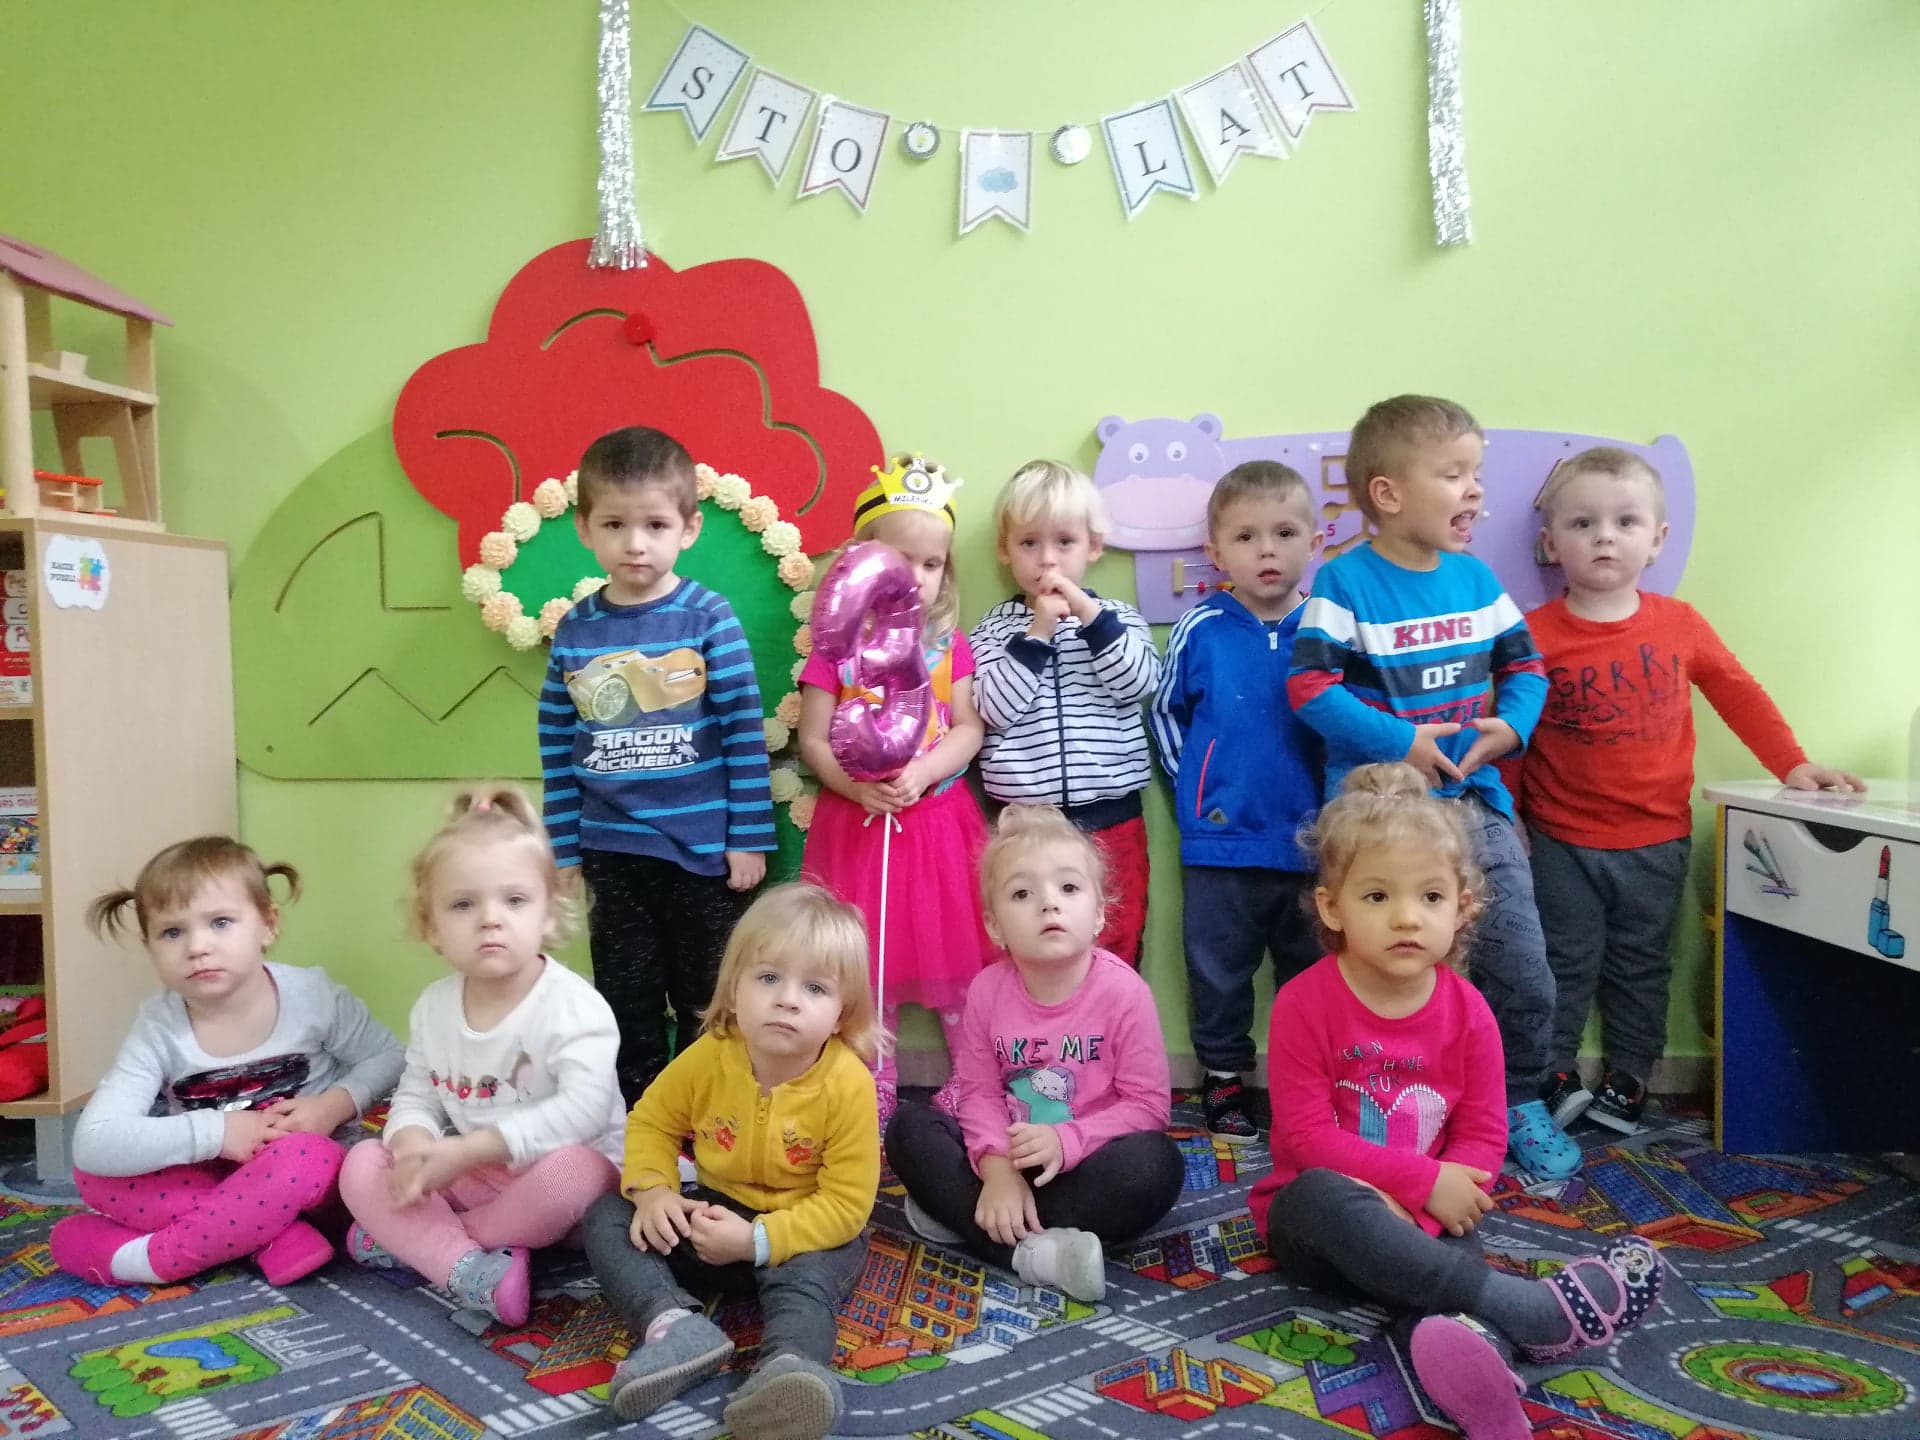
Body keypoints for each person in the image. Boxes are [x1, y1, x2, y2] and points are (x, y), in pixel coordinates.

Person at [1252, 764, 1667, 1440]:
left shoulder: (1470, 1012)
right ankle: (1534, 1310)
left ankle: (1491, 1399)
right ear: (1332, 908)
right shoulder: (1304, 1003)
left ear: (1463, 907)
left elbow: (1481, 1135)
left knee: (1449, 1305)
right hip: (1321, 1225)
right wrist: (1417, 1184)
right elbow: (1306, 1139)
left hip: (1431, 1218)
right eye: (1377, 895)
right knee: (1322, 1194)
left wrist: (1430, 1200)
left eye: (1431, 896)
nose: (1407, 917)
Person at [1518, 447, 1865, 1132]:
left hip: (1656, 837)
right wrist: (1508, 816)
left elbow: (1738, 693)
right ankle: (1552, 1073)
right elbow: (1510, 733)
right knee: (1560, 962)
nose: (1605, 537)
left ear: (1658, 539)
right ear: (1551, 544)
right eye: (1583, 523)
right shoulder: (1532, 636)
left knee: (1642, 964)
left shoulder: (1680, 624)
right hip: (1559, 840)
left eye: (1625, 522)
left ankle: (1631, 1077)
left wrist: (1792, 765)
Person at [1289, 395, 1578, 1179]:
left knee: (1521, 964)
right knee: (1384, 971)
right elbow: (1309, 689)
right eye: (1454, 474)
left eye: (1475, 473)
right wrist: (1404, 742)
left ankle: (1515, 1099)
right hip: (1376, 817)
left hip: (1475, 811)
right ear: (1387, 494)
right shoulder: (1343, 583)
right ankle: (1381, 1108)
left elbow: (1526, 668)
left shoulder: (1476, 579)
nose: (1475, 490)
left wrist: (1511, 728)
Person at [582, 883, 880, 1439]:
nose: (787, 999)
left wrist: (757, 1241)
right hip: (714, 1215)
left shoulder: (848, 1085)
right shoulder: (711, 1055)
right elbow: (651, 1122)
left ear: (843, 1014)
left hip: (804, 1231)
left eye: (814, 987)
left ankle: (788, 1371)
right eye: (768, 978)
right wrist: (655, 1193)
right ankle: (674, 1327)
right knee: (607, 1215)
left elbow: (846, 1205)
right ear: (735, 989)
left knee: (809, 1281)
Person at [540, 425, 775, 1105]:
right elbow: (557, 744)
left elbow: (742, 730)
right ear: (585, 528)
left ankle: (713, 1116)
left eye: (655, 525)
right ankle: (638, 1120)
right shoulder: (577, 629)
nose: (635, 543)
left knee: (710, 997)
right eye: (615, 525)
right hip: (611, 852)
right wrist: (563, 847)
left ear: (688, 528)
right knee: (626, 999)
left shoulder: (708, 617)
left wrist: (748, 837)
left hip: (703, 855)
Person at [51, 839, 403, 1287]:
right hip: (212, 1180)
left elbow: (390, 1056)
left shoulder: (313, 996)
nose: (197, 946)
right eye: (172, 933)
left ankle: (160, 1259)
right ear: (149, 946)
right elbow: (94, 1141)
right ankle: (269, 1238)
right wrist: (217, 1133)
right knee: (95, 1173)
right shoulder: (158, 1027)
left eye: (220, 923)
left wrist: (332, 1106)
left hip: (317, 1181)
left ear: (268, 925)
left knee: (307, 1156)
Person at [337, 786, 624, 1326]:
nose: (490, 919)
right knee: (362, 1164)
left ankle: (434, 1243)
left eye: (514, 900)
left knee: (576, 1172)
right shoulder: (433, 1007)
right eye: (463, 904)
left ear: (547, 913)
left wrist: (467, 1152)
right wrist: (413, 1145)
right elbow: (417, 1092)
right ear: (431, 926)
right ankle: (472, 1269)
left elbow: (584, 1113)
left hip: (565, 1185)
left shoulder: (574, 1006)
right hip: (476, 1176)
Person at [886, 805, 1184, 1304]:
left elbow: (1148, 1108)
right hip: (1005, 1158)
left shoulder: (1124, 993)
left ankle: (967, 1220)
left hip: (1086, 1163)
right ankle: (1033, 1247)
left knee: (1156, 1165)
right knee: (908, 1128)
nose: (1049, 904)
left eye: (1068, 888)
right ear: (995, 926)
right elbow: (979, 1095)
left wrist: (1067, 1141)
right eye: (1022, 894)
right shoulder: (987, 991)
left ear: (1100, 913)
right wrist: (998, 1172)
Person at [797, 454, 993, 1128]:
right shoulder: (835, 648)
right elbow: (814, 740)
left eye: (931, 563)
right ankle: (872, 1078)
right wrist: (855, 789)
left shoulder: (947, 645)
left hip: (937, 827)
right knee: (864, 961)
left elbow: (967, 728)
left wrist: (926, 770)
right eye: (901, 559)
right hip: (858, 830)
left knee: (958, 961)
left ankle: (971, 1076)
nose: (917, 575)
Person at [1149, 460, 1324, 1141]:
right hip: (1220, 843)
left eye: (1284, 533)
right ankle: (1223, 1078)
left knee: (1311, 975)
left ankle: (1305, 1082)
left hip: (1316, 844)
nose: (1267, 550)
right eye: (1247, 537)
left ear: (1315, 542)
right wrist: (1197, 790)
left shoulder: (1328, 629)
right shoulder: (1200, 628)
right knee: (1218, 971)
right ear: (1218, 553)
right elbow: (1166, 713)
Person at [971, 459, 1161, 965]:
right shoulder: (992, 631)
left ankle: (1112, 1016)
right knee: (1022, 944)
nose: (1048, 560)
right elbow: (994, 709)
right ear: (1005, 550)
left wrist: (1091, 618)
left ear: (1094, 546)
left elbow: (1138, 683)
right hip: (1022, 826)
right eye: (1029, 543)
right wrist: (1036, 635)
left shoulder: (1120, 619)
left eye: (1065, 542)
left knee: (1116, 938)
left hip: (1111, 818)